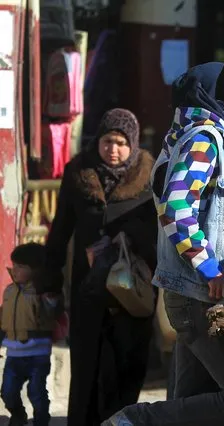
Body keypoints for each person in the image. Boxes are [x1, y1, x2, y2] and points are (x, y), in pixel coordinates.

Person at [103, 58, 224, 425]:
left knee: (191, 401)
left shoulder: (221, 143)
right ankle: (133, 421)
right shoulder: (205, 141)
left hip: (196, 295)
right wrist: (212, 269)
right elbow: (177, 208)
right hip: (199, 296)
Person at [45, 108, 158, 425]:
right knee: (86, 367)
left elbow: (160, 229)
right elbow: (60, 230)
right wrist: (49, 282)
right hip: (89, 287)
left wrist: (128, 238)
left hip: (132, 289)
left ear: (132, 144)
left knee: (127, 364)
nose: (113, 149)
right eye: (108, 141)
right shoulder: (78, 173)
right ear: (98, 141)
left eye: (121, 142)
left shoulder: (149, 176)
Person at [1, 243, 62, 426]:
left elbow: (53, 312)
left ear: (35, 270)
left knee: (36, 392)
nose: (15, 270)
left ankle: (41, 421)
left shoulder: (43, 292)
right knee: (8, 392)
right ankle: (18, 415)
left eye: (21, 266)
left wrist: (50, 297)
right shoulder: (9, 291)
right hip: (13, 354)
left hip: (38, 354)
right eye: (15, 265)